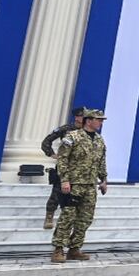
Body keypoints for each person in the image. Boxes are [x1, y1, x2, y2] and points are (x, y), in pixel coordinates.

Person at [52, 109, 108, 262]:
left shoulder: (99, 140)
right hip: (73, 184)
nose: (101, 122)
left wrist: (103, 179)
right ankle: (58, 249)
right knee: (67, 217)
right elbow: (62, 160)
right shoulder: (72, 137)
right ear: (88, 120)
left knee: (85, 218)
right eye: (98, 119)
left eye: (102, 120)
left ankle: (74, 249)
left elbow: (101, 161)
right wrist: (64, 180)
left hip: (90, 185)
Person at [38, 107, 87, 231]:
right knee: (57, 192)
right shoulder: (66, 129)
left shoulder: (88, 132)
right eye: (82, 116)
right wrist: (52, 154)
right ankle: (49, 216)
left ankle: (70, 219)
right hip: (64, 165)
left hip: (80, 168)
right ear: (76, 117)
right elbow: (46, 142)